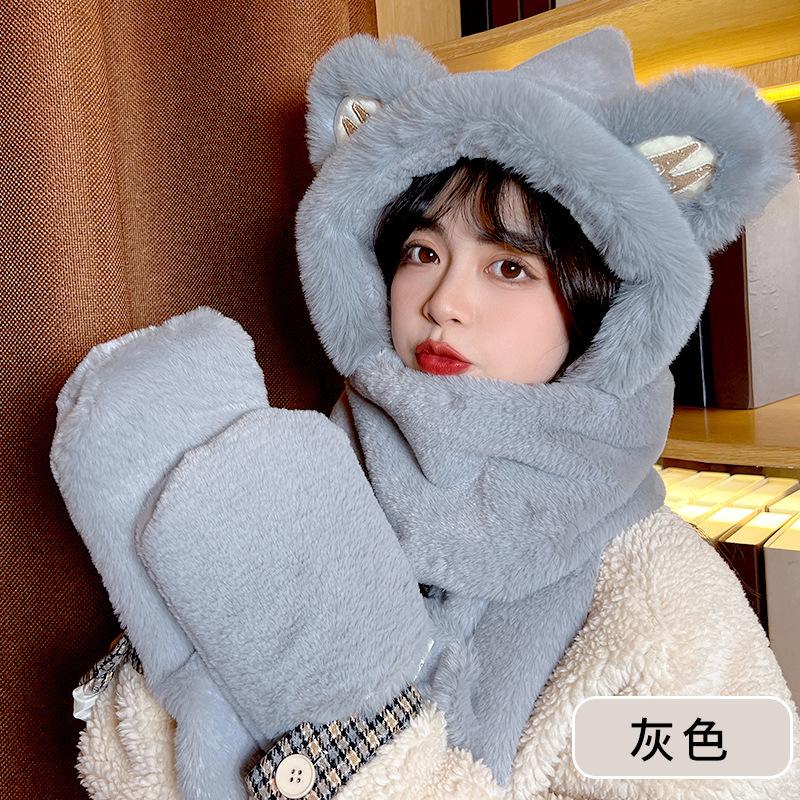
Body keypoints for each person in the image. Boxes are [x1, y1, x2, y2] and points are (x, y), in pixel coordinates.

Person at [51, 28, 800, 800]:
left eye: (508, 266)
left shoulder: (655, 592)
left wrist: (357, 747)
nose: (444, 302)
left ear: (601, 306)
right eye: (423, 253)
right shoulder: (295, 483)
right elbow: (125, 762)